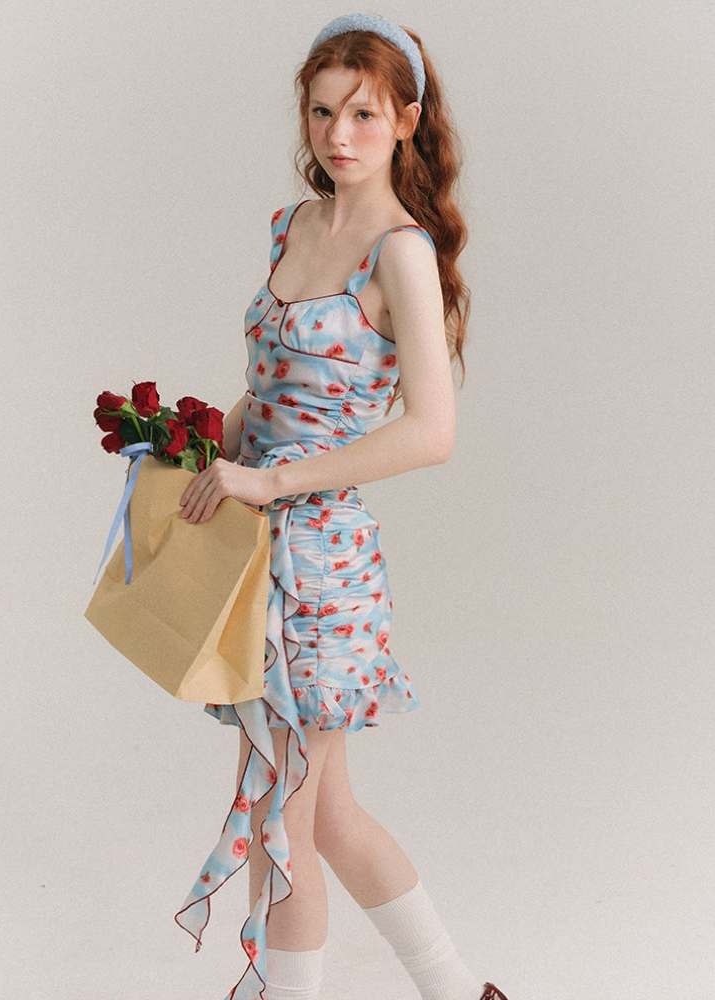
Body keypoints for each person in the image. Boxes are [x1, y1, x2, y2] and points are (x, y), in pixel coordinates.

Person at [175, 13, 510, 1000]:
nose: (339, 135)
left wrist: (272, 480)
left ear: (405, 119)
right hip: (255, 543)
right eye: (322, 113)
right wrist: (208, 444)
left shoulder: (400, 251)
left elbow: (431, 432)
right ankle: (462, 991)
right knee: (321, 814)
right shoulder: (295, 225)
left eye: (363, 114)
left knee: (282, 816)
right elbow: (275, 391)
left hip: (319, 562)